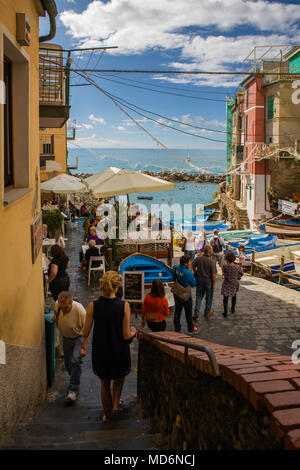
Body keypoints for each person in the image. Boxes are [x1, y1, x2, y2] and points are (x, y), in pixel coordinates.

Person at [81, 271, 136, 423]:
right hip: (119, 349)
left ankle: (108, 416)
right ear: (117, 287)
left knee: (104, 383)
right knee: (119, 375)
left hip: (101, 350)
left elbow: (85, 332)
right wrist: (133, 332)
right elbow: (126, 335)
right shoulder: (124, 306)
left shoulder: (93, 306)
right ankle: (115, 404)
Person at [51, 292, 87, 401]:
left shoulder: (80, 310)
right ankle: (75, 375)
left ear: (71, 303)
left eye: (66, 307)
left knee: (75, 360)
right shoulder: (58, 305)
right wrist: (55, 318)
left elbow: (87, 330)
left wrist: (83, 348)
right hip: (66, 338)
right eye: (62, 308)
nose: (63, 310)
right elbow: (56, 314)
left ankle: (73, 389)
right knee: (68, 363)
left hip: (78, 337)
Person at [172, 256, 199, 336]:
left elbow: (173, 275)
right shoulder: (188, 273)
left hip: (177, 293)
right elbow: (194, 284)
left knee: (177, 311)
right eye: (189, 262)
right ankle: (190, 329)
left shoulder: (176, 268)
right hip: (186, 295)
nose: (191, 263)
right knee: (188, 313)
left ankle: (177, 329)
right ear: (185, 263)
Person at [192, 245, 216, 320]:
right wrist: (214, 284)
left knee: (199, 296)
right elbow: (214, 275)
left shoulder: (198, 258)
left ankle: (196, 312)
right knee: (209, 297)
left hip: (200, 279)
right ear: (210, 252)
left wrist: (195, 272)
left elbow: (192, 265)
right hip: (208, 281)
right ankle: (207, 312)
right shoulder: (212, 261)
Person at [221, 252, 244, 317]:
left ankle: (225, 311)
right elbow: (242, 273)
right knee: (234, 296)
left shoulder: (224, 266)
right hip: (234, 283)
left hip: (226, 283)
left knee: (225, 297)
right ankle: (233, 309)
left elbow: (223, 273)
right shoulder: (237, 267)